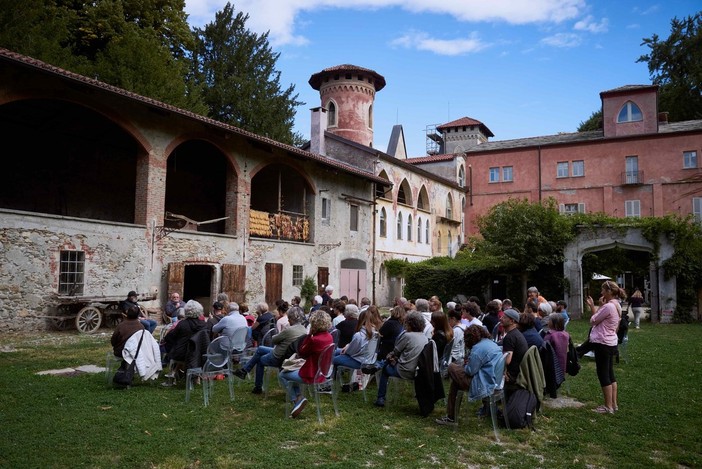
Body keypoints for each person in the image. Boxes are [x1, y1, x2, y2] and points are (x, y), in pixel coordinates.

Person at [435, 324, 503, 425]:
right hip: (495, 381)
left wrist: (466, 365)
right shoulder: (491, 343)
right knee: (456, 383)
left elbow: (470, 371)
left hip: (484, 384)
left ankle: (451, 417)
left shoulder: (477, 349)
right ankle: (451, 417)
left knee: (452, 367)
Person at [234, 306, 307, 394]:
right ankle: (244, 370)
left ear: (291, 318)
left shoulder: (289, 330)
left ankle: (257, 387)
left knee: (260, 359)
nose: (288, 320)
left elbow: (274, 340)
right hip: (288, 355)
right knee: (260, 349)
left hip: (278, 356)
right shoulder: (304, 329)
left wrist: (282, 332)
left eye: (289, 318)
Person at [278, 310, 334, 418]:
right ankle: (299, 397)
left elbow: (302, 352)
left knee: (282, 375)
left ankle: (296, 400)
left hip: (311, 374)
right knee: (292, 373)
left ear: (314, 324)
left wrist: (309, 335)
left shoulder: (315, 340)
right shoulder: (329, 337)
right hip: (323, 373)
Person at [374, 311, 428, 407]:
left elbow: (396, 351)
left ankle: (380, 398)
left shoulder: (407, 336)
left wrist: (389, 357)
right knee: (388, 362)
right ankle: (380, 365)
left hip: (404, 370)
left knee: (385, 369)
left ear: (410, 324)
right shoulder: (424, 337)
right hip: (417, 371)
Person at [586, 281, 624, 414]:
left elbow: (593, 320)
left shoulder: (608, 306)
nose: (601, 293)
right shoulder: (616, 305)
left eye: (603, 290)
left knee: (603, 375)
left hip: (603, 343)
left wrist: (593, 306)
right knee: (610, 374)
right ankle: (614, 404)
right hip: (611, 342)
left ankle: (608, 407)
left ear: (608, 292)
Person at [501, 308, 529, 400]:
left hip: (512, 376)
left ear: (512, 321)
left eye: (504, 317)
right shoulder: (517, 334)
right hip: (520, 371)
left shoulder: (509, 337)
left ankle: (488, 408)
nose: (501, 318)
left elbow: (507, 361)